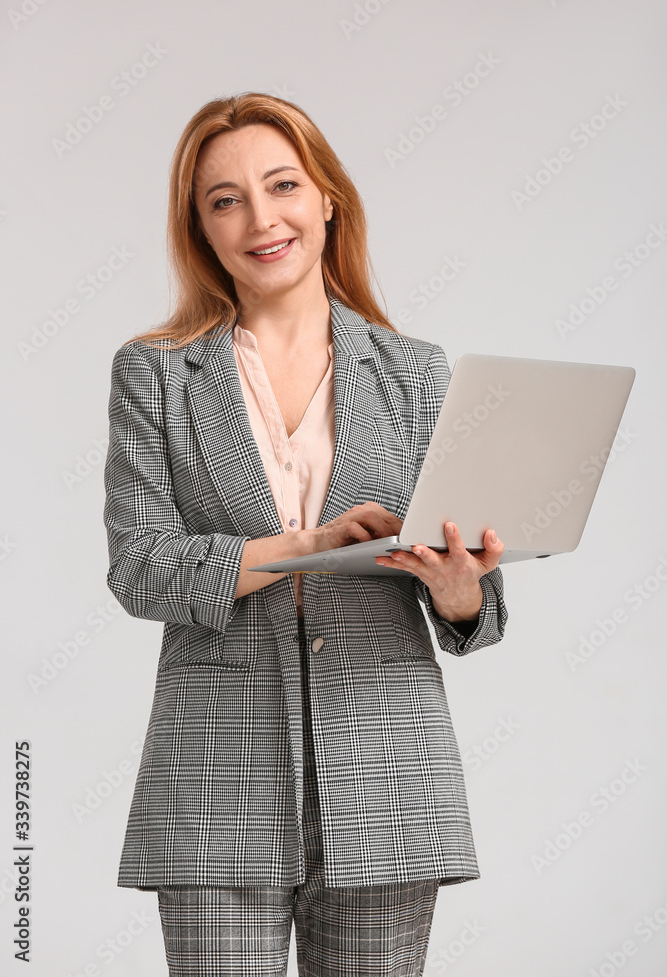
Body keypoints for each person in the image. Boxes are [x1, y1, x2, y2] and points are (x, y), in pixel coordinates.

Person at [103, 91, 508, 977]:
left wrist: (457, 589)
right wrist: (302, 546)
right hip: (214, 774)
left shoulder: (415, 372)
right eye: (225, 199)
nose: (260, 218)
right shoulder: (157, 374)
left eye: (282, 184)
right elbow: (138, 568)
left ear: (327, 197)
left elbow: (475, 611)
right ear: (201, 228)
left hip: (388, 764)